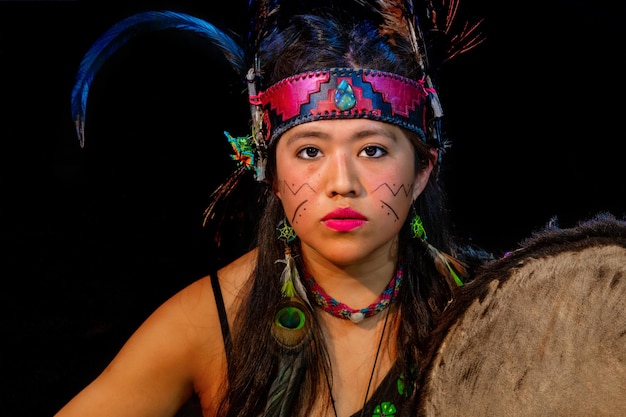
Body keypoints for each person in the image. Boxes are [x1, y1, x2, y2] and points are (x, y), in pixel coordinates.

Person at [53, 1, 490, 416]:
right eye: (310, 152)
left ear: (421, 172)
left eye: (372, 150)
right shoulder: (207, 321)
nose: (342, 184)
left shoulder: (484, 308)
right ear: (272, 174)